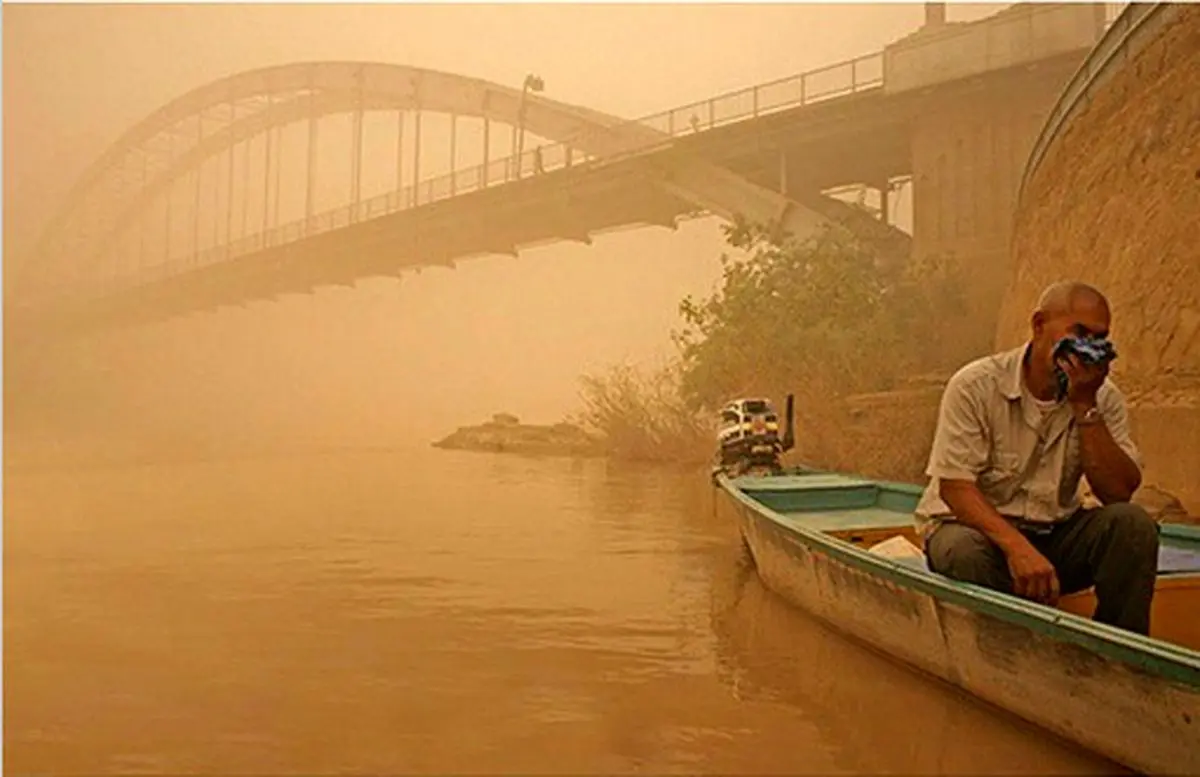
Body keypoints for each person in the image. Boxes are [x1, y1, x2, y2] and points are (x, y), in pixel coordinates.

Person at [915, 280, 1159, 635]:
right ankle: (1003, 652)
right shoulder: (975, 385)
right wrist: (1017, 549)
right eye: (1078, 332)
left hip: (1054, 535)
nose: (1086, 347)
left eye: (1098, 338)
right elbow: (955, 488)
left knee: (1133, 526)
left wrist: (1085, 406)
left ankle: (1118, 655)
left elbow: (1118, 493)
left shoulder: (1102, 397)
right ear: (1039, 325)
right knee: (963, 552)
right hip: (982, 536)